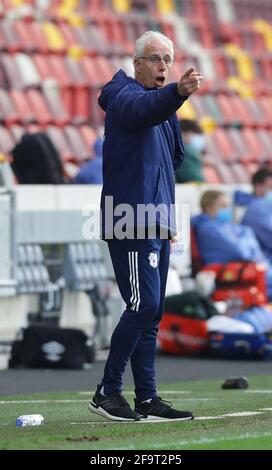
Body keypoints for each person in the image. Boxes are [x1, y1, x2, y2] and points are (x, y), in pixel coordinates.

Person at [88, 30, 203, 422]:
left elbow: (172, 162)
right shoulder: (121, 96)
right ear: (136, 62)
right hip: (130, 218)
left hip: (154, 218)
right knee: (143, 305)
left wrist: (167, 216)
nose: (164, 67)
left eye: (168, 60)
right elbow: (142, 111)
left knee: (151, 314)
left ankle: (148, 399)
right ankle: (107, 390)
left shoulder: (162, 107)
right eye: (156, 59)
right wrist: (176, 94)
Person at [191, 190, 272, 299]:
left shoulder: (226, 226)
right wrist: (246, 239)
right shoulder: (207, 229)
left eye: (228, 206)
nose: (227, 210)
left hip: (251, 269)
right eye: (222, 206)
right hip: (231, 275)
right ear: (208, 208)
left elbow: (249, 234)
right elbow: (240, 251)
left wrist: (244, 239)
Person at [241, 167, 272, 264]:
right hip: (263, 260)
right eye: (271, 188)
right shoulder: (257, 209)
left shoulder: (265, 206)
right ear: (258, 186)